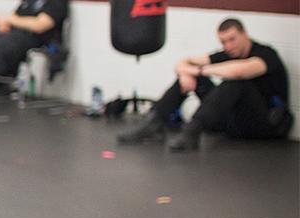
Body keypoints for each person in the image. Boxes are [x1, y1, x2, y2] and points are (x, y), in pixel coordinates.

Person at [118, 18, 292, 151]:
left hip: (265, 125)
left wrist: (198, 70)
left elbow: (238, 72)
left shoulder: (266, 54)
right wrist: (186, 73)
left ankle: (193, 130)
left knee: (236, 83)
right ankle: (155, 122)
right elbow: (182, 62)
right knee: (193, 78)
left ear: (244, 34)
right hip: (234, 124)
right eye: (224, 42)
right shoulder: (228, 53)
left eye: (232, 39)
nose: (228, 46)